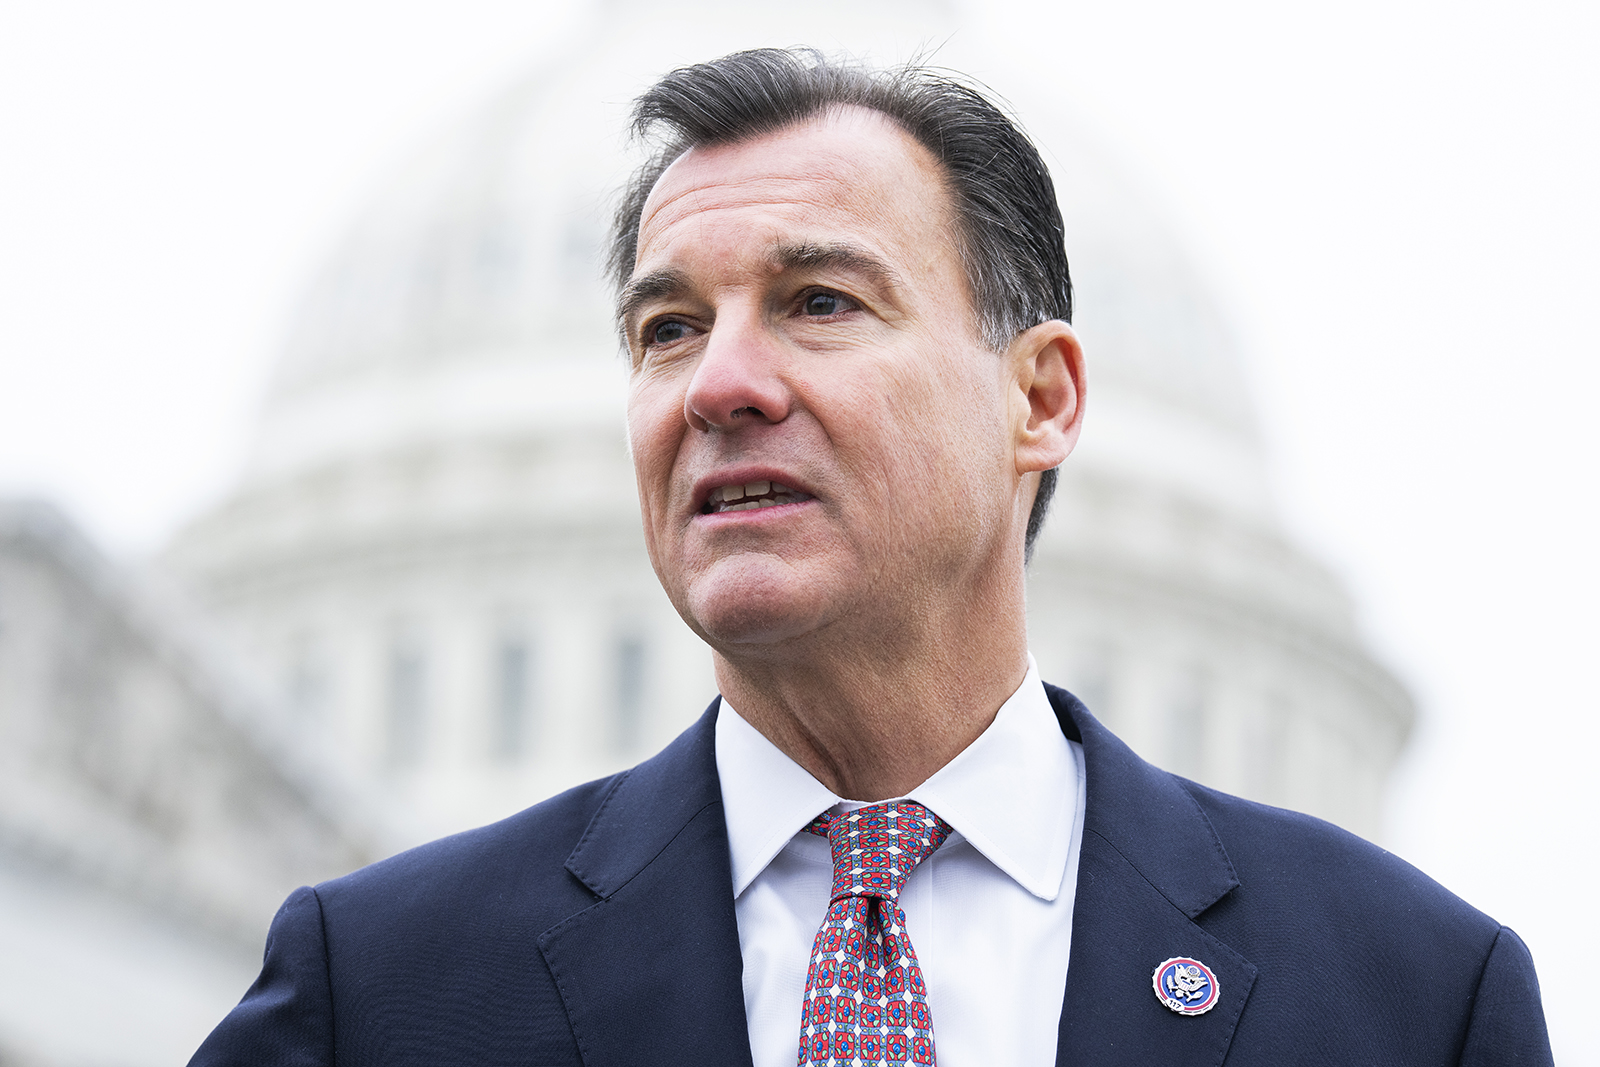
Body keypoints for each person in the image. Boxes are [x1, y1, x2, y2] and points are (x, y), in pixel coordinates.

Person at [190, 49, 1552, 1067]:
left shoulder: (1412, 1001)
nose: (719, 383)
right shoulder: (381, 995)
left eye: (819, 302)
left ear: (1041, 400)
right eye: (666, 328)